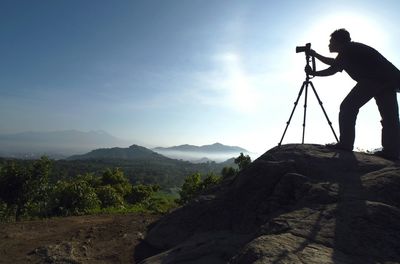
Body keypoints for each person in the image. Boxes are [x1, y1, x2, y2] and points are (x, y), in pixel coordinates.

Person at [305, 28, 400, 160]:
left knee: (347, 107)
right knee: (390, 118)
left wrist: (314, 73)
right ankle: (392, 151)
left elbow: (333, 69)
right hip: (389, 81)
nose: (329, 44)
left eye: (331, 41)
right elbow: (336, 63)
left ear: (339, 41)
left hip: (374, 80)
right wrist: (316, 55)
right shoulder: (351, 49)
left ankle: (345, 143)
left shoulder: (348, 49)